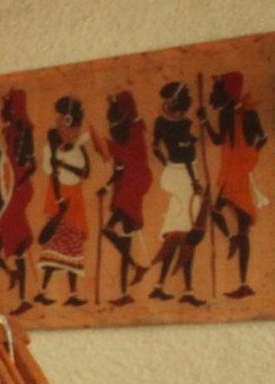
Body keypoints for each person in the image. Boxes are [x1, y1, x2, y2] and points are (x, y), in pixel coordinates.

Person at [204, 71, 266, 299]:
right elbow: (219, 140)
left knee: (241, 227)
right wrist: (205, 122)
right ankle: (233, 241)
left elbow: (262, 137)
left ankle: (244, 283)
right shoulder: (226, 114)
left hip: (239, 174)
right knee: (218, 212)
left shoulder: (247, 114)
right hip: (232, 173)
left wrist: (248, 157)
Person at [150, 80, 207, 305]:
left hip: (174, 174)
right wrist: (195, 182)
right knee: (189, 234)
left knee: (176, 235)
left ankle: (160, 286)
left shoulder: (162, 122)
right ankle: (188, 291)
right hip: (185, 177)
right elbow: (186, 157)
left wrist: (167, 164)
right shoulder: (183, 124)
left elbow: (156, 148)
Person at [36, 96, 91, 305]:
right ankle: (43, 291)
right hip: (58, 197)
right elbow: (49, 171)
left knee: (72, 246)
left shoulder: (78, 148)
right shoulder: (51, 147)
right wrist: (59, 200)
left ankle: (72, 295)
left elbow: (85, 172)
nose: (70, 132)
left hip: (74, 198)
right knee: (55, 245)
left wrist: (64, 164)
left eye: (73, 128)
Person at [99, 90, 152, 306]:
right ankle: (125, 290)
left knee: (108, 229)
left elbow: (125, 157)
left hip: (134, 186)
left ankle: (135, 267)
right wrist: (106, 186)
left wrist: (117, 102)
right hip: (127, 186)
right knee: (126, 242)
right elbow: (118, 168)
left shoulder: (135, 131)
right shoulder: (122, 139)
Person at [0, 88, 37, 310]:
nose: (4, 111)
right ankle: (14, 275)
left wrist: (18, 181)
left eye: (7, 107)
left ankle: (24, 298)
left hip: (18, 190)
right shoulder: (9, 132)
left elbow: (31, 165)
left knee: (18, 246)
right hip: (10, 188)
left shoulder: (24, 132)